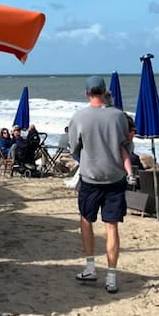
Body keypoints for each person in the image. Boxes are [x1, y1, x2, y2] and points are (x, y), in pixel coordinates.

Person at [68, 75, 131, 293]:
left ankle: (90, 267)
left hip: (90, 178)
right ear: (105, 92)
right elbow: (126, 147)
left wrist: (87, 158)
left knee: (86, 220)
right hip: (114, 178)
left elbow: (74, 148)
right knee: (111, 226)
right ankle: (111, 277)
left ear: (87, 93)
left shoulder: (79, 117)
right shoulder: (118, 116)